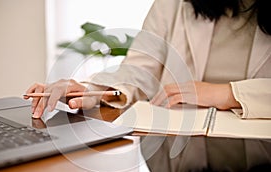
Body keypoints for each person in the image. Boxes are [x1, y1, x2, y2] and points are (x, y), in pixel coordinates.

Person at [25, 0, 271, 119]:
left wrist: (228, 94)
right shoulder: (172, 4)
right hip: (181, 142)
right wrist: (94, 90)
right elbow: (140, 69)